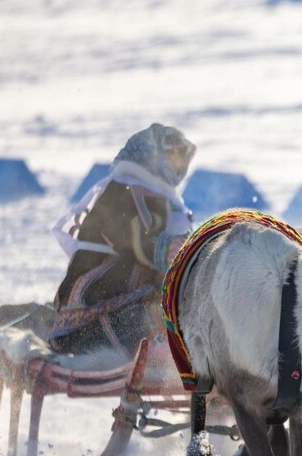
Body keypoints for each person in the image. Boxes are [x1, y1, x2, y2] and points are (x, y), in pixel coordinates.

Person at [48, 124, 195, 357]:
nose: (178, 164)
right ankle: (148, 344)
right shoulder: (122, 189)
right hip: (93, 290)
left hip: (122, 279)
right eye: (172, 155)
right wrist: (173, 250)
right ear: (153, 154)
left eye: (180, 157)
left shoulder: (159, 193)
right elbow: (132, 242)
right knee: (165, 295)